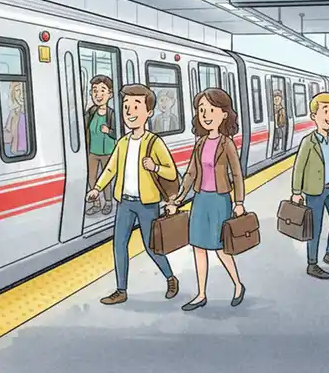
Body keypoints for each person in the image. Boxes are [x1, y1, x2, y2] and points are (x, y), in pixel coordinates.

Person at [87, 84, 179, 305]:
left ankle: (170, 277)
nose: (129, 111)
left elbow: (171, 171)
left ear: (148, 113)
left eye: (135, 106)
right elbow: (111, 168)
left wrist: (155, 167)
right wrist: (97, 189)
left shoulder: (154, 143)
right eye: (126, 106)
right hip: (125, 203)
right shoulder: (123, 143)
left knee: (151, 246)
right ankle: (121, 290)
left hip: (147, 204)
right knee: (119, 245)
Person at [167, 87, 246, 311]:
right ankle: (201, 294)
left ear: (223, 114)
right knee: (198, 246)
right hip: (200, 200)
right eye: (202, 110)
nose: (205, 114)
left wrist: (239, 202)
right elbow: (191, 173)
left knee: (220, 247)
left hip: (220, 200)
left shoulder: (226, 143)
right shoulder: (200, 143)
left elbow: (237, 174)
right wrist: (179, 198)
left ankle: (238, 285)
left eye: (211, 109)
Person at [291, 92, 329, 280]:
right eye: (326, 111)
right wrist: (296, 192)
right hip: (314, 191)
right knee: (314, 228)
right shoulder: (308, 142)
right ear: (314, 116)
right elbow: (299, 167)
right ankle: (312, 263)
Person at [84, 75, 116, 216]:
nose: (98, 95)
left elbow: (118, 133)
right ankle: (96, 203)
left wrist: (108, 131)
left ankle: (108, 202)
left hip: (108, 152)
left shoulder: (111, 114)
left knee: (105, 179)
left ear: (110, 94)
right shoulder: (91, 113)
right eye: (95, 91)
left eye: (102, 91)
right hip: (93, 152)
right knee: (92, 178)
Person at [2, 82, 28, 157]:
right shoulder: (13, 113)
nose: (21, 94)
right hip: (16, 153)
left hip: (28, 153)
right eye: (17, 90)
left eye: (23, 90)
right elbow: (7, 133)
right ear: (13, 93)